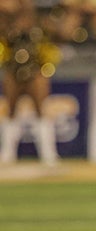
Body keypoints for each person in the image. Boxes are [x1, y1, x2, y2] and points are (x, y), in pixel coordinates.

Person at [0, 0, 61, 165]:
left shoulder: (38, 20)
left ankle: (49, 155)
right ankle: (7, 154)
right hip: (13, 70)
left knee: (41, 110)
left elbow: (56, 37)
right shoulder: (5, 21)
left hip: (35, 70)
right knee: (11, 111)